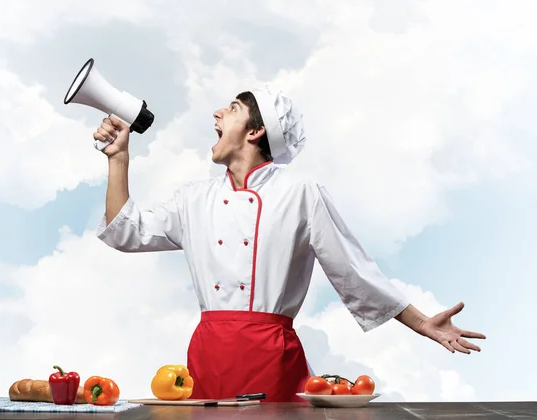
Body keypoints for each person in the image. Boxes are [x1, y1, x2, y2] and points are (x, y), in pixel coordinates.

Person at [93, 86, 486, 402]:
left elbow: (352, 270)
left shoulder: (301, 193)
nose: (216, 113)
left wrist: (419, 323)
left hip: (272, 358)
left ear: (255, 131)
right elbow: (126, 232)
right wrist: (118, 159)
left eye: (230, 108)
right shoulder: (194, 199)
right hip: (207, 356)